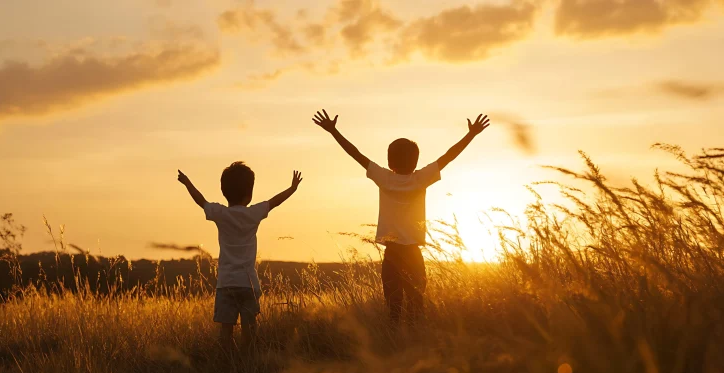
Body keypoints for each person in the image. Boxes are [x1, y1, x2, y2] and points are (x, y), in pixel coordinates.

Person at [312, 109, 490, 324]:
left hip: (392, 253)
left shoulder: (384, 178)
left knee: (393, 307)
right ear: (415, 162)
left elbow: (356, 154)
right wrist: (471, 134)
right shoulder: (420, 179)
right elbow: (448, 157)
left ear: (389, 162)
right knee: (417, 303)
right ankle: (414, 342)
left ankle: (395, 342)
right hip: (414, 253)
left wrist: (333, 131)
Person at [177, 162, 302, 348]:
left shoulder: (221, 213)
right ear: (249, 193)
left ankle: (225, 366)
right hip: (249, 283)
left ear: (223, 191)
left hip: (226, 283)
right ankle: (247, 364)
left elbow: (200, 201)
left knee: (225, 332)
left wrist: (187, 183)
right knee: (249, 331)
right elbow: (275, 201)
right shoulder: (253, 214)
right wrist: (292, 188)